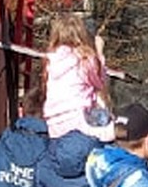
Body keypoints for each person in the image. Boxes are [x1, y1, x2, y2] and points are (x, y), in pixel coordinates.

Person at [42, 12, 113, 141]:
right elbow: (100, 82)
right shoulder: (83, 58)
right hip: (78, 119)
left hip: (53, 123)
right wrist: (100, 53)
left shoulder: (51, 60)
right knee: (115, 128)